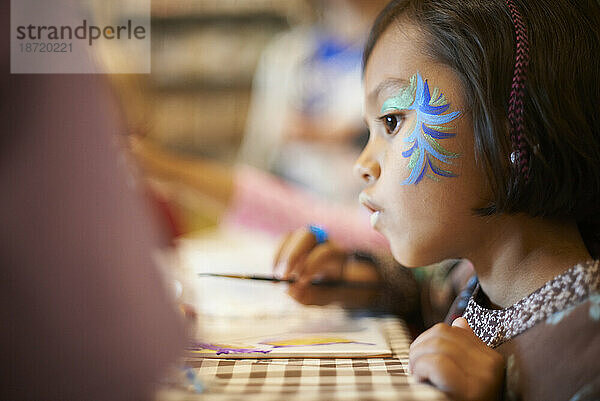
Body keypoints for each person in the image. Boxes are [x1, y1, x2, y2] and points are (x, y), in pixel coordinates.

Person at [273, 1, 600, 400]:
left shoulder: (586, 352)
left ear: (515, 123)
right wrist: (359, 278)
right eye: (368, 132)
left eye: (392, 121)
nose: (363, 164)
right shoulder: (470, 277)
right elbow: (424, 292)